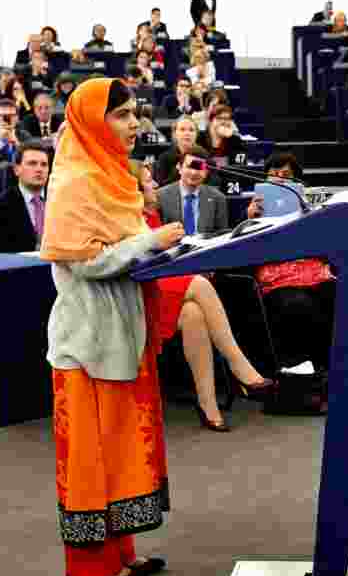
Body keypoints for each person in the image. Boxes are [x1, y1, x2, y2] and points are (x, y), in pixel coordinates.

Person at [39, 77, 182, 576]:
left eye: (133, 114)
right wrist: (149, 241)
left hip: (121, 330)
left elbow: (123, 247)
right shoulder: (75, 180)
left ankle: (122, 551)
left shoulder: (114, 175)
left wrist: (156, 245)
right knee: (90, 455)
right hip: (87, 340)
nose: (132, 125)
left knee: (118, 448)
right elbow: (87, 263)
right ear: (92, 122)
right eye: (120, 115)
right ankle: (91, 565)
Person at [138, 167, 273, 431]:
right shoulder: (125, 215)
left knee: (193, 315)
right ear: (133, 189)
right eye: (147, 180)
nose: (154, 183)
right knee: (199, 284)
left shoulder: (151, 213)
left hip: (159, 284)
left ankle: (208, 404)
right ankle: (239, 366)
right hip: (138, 292)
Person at [245, 153, 336, 388]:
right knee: (296, 303)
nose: (279, 179)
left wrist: (314, 215)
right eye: (273, 174)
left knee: (335, 293)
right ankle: (300, 369)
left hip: (310, 268)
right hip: (277, 274)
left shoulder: (308, 201)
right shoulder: (256, 207)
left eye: (285, 175)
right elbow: (246, 247)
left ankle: (330, 365)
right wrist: (250, 219)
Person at [0, 141, 50, 253]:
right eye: (32, 163)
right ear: (16, 170)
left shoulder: (61, 202)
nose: (39, 169)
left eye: (44, 164)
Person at [157, 144, 229, 235]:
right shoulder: (160, 196)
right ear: (179, 167)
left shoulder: (217, 198)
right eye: (189, 166)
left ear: (206, 172)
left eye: (199, 168)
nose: (194, 172)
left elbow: (222, 237)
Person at [196, 105, 247, 170]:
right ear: (211, 121)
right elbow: (196, 165)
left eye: (228, 119)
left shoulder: (236, 141)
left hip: (228, 178)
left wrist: (234, 140)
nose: (224, 122)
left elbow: (240, 168)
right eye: (220, 118)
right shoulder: (199, 138)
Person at [154, 116, 198, 185]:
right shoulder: (164, 158)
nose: (187, 133)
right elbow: (162, 185)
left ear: (196, 134)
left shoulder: (202, 156)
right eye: (182, 130)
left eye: (191, 130)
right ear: (175, 134)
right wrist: (178, 169)